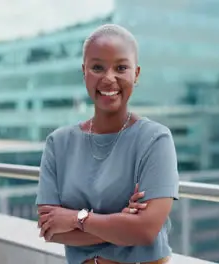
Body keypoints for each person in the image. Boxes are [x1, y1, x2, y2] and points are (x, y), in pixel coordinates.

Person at [36, 24, 179, 264]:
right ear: (84, 72)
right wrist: (120, 223)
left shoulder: (155, 140)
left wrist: (77, 219)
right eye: (97, 67)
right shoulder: (58, 143)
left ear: (137, 73)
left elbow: (144, 231)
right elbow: (50, 229)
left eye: (121, 67)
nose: (109, 78)